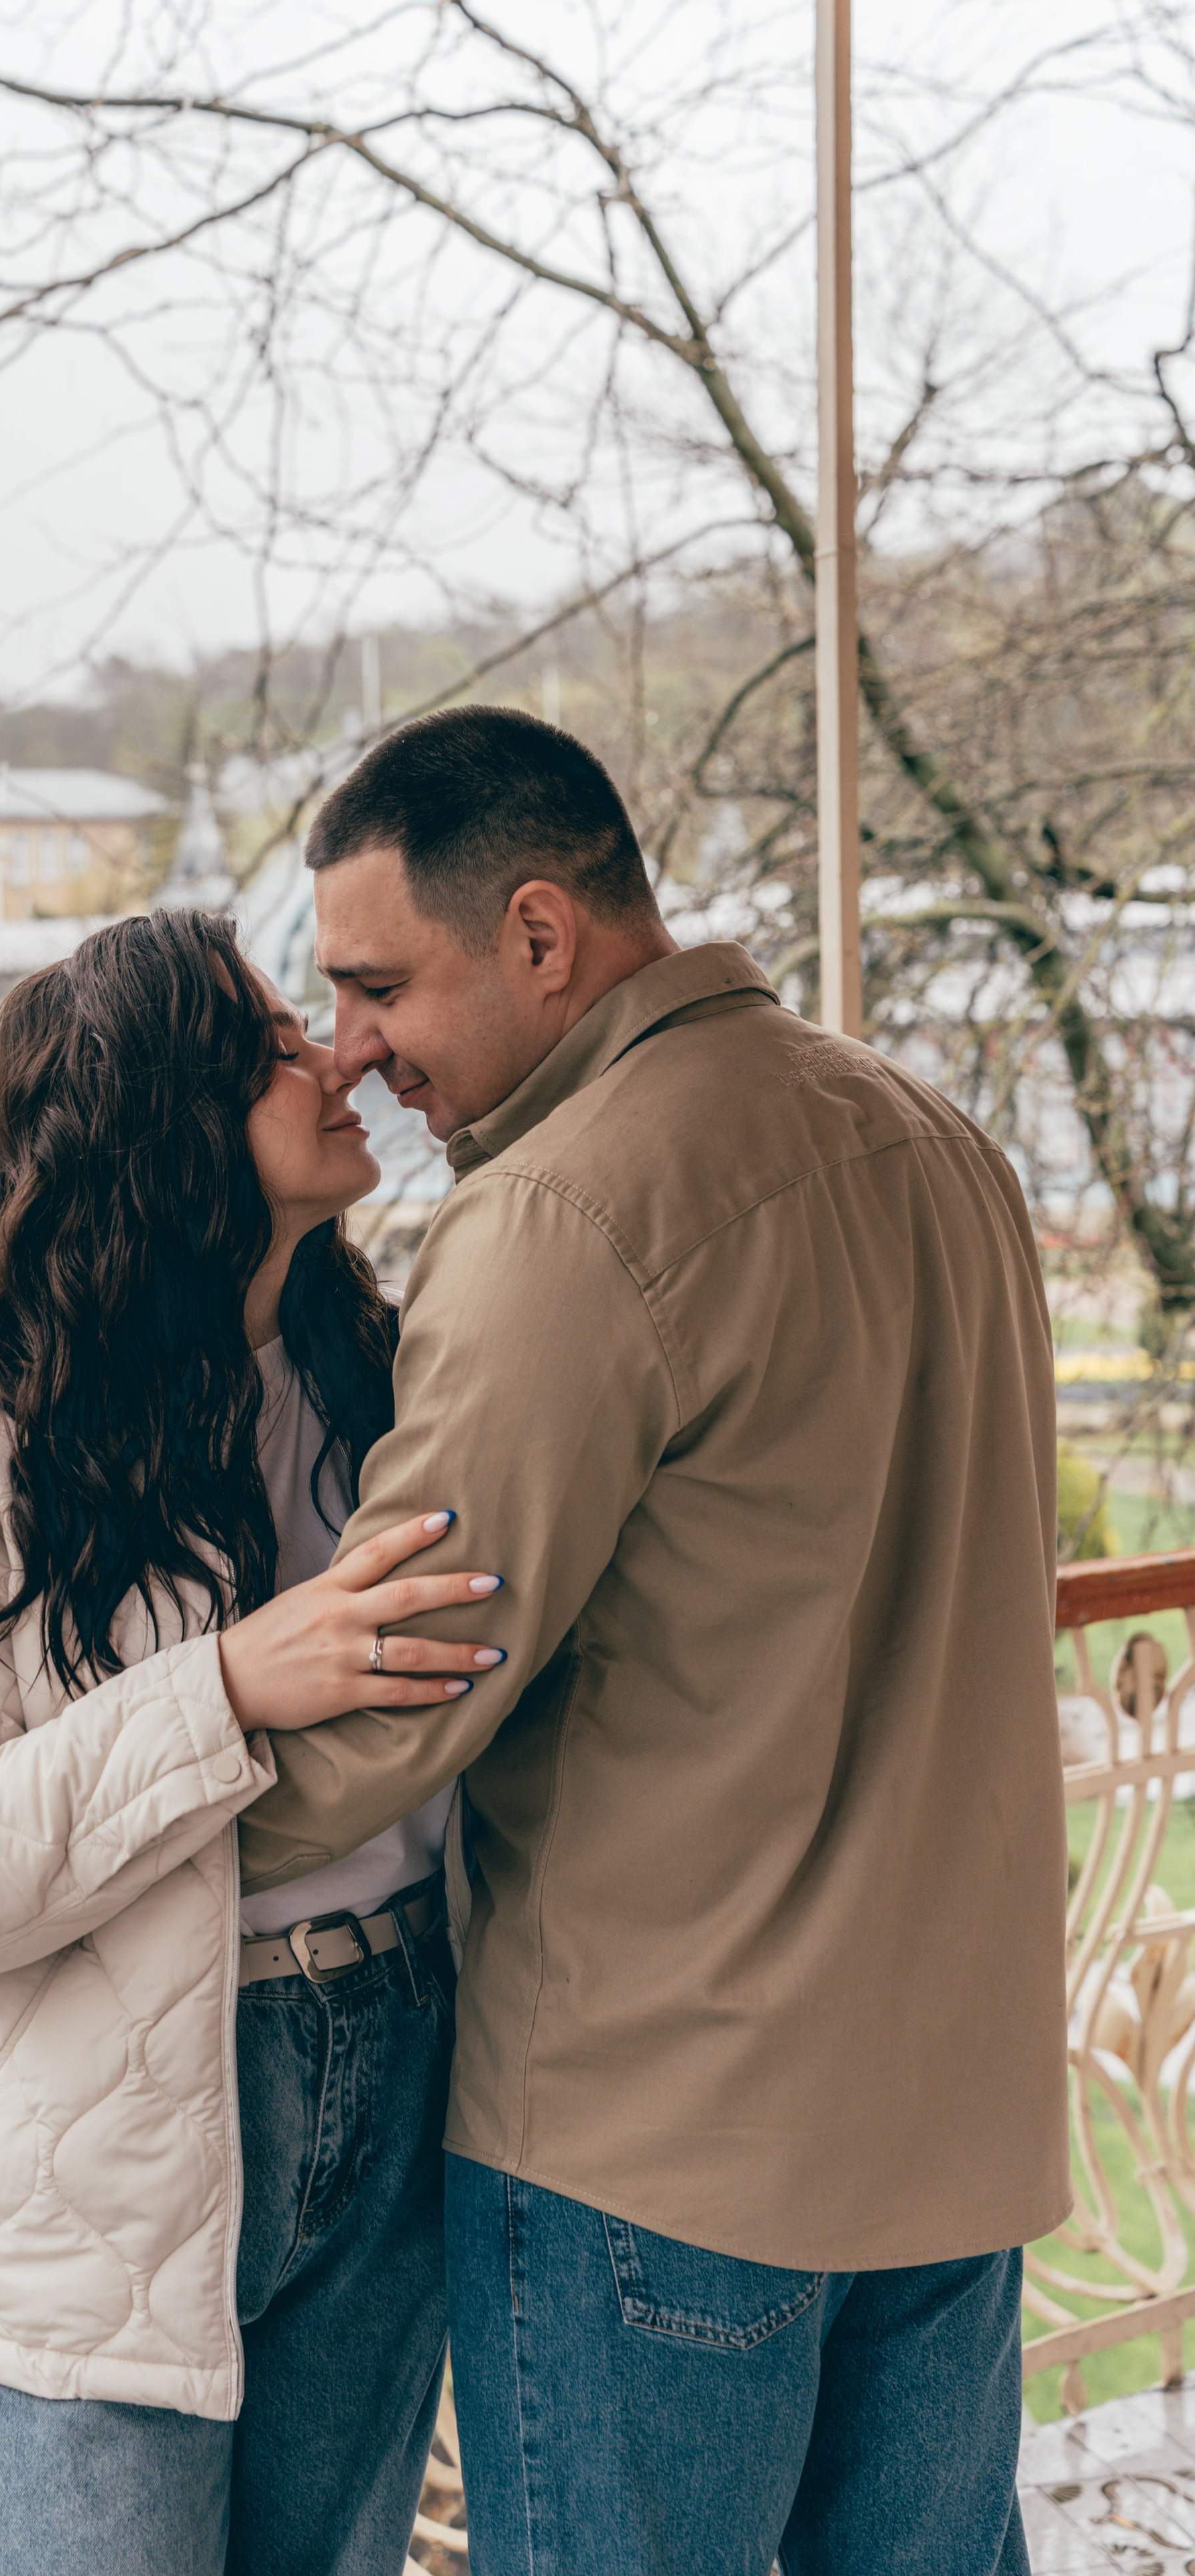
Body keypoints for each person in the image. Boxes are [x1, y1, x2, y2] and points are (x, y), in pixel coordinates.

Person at [238, 704, 1072, 2576]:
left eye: (379, 989)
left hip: (661, 2156)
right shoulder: (936, 1144)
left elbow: (391, 1695)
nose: (355, 1053)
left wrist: (76, 1816)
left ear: (541, 935)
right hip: (960, 2125)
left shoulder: (558, 1215)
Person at [0, 909, 507, 2576]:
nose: (336, 1051)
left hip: (396, 2058)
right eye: (270, 1040)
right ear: (162, 1117)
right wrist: (223, 1690)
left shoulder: (395, 1385)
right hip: (88, 2158)